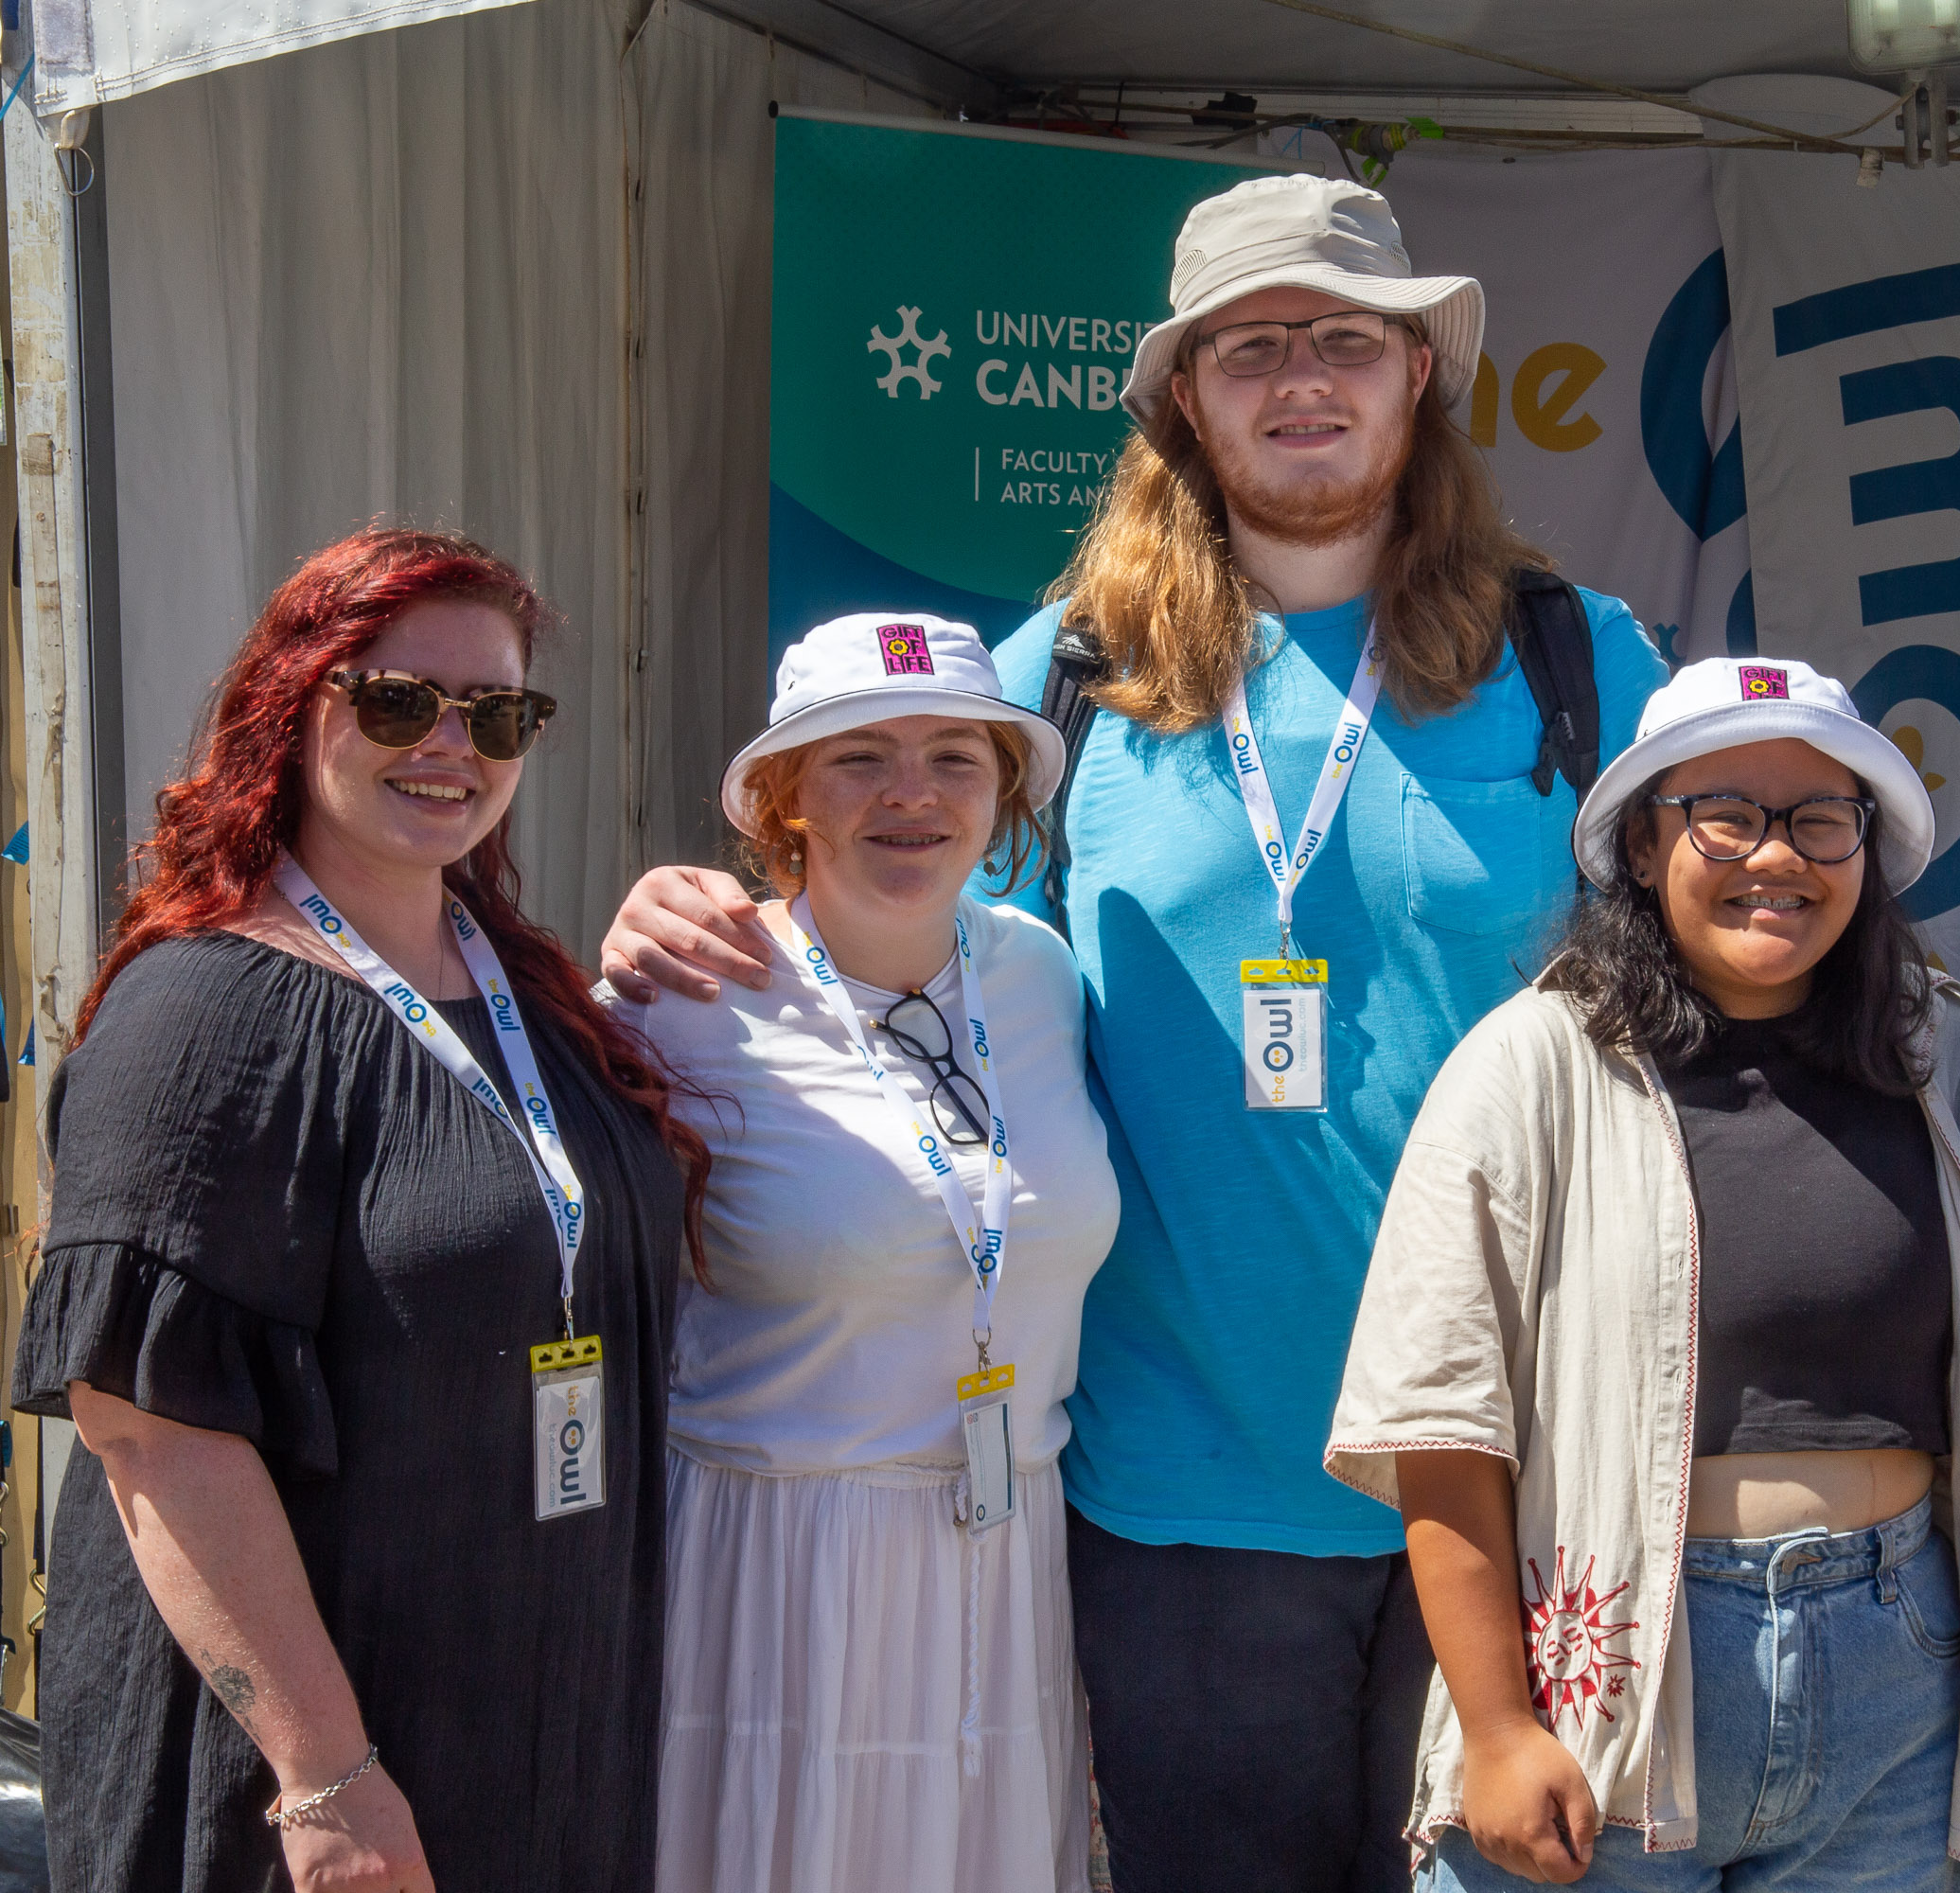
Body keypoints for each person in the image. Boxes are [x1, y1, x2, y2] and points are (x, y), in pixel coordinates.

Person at [600, 172, 1668, 1890]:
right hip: (1185, 1486)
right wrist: (689, 903)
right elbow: (883, 876)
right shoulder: (1071, 679)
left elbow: (1736, 952)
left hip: (1520, 1462)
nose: (1301, 378)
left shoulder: (1576, 659)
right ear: (1185, 393)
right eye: (1253, 346)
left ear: (1419, 379)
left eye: (1347, 339)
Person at [10, 528, 705, 1891]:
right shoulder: (202, 1013)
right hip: (305, 1788)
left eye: (498, 713)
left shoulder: (522, 985)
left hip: (531, 1734)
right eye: (397, 700)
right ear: (290, 709)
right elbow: (150, 1437)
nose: (452, 743)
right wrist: (327, 1778)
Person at [1328, 657, 1960, 1890]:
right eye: (1727, 815)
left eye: (1821, 818)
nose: (1777, 855)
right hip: (1605, 1684)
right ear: (1643, 847)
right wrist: (1495, 1731)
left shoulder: (1942, 1055)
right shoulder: (1529, 1068)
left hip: (1896, 1668)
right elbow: (1437, 1427)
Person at [624, 613, 1116, 1891]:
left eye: (955, 756)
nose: (911, 794)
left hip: (1005, 1550)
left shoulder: (1042, 978)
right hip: (782, 1563)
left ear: (1002, 791)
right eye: (858, 759)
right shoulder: (680, 997)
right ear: (785, 796)